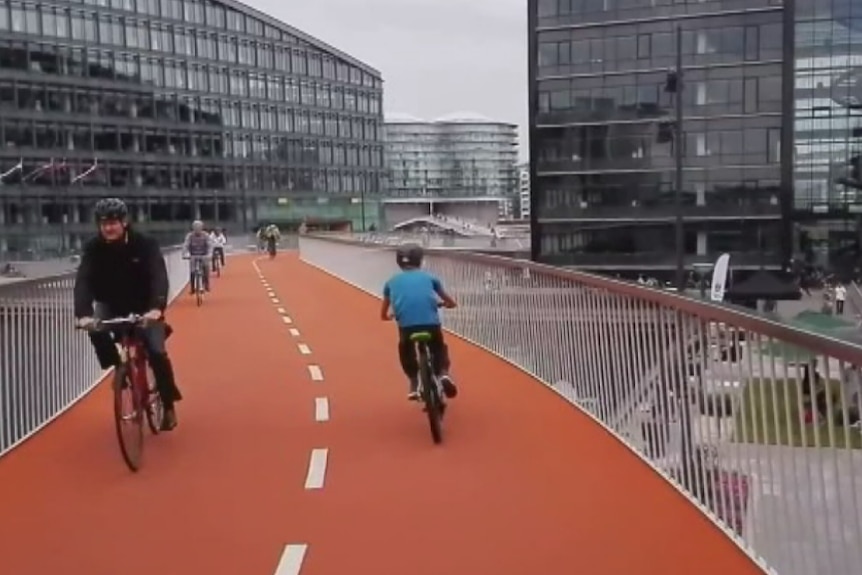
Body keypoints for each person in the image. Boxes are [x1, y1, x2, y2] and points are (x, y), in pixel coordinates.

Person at [73, 198, 182, 430]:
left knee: (156, 352)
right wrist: (83, 314)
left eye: (112, 222)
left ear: (124, 222)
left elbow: (158, 276)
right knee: (95, 329)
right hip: (112, 303)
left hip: (145, 305)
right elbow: (83, 281)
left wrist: (157, 307)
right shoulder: (93, 248)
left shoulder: (145, 244)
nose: (108, 228)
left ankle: (169, 405)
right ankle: (119, 367)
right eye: (103, 224)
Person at [380, 244, 459, 401]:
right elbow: (448, 300)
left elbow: (384, 309)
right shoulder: (430, 278)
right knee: (438, 347)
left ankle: (414, 381)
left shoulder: (391, 282)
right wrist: (448, 304)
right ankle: (443, 372)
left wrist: (386, 316)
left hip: (407, 327)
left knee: (405, 348)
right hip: (430, 324)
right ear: (420, 261)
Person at [183, 220, 214, 294]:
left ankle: (206, 285)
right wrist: (185, 254)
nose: (197, 229)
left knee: (206, 268)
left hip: (204, 255)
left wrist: (210, 254)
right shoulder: (189, 236)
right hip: (193, 255)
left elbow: (210, 245)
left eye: (199, 227)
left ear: (202, 228)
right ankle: (192, 288)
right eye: (195, 228)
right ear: (193, 228)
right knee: (192, 271)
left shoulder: (206, 235)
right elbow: (185, 245)